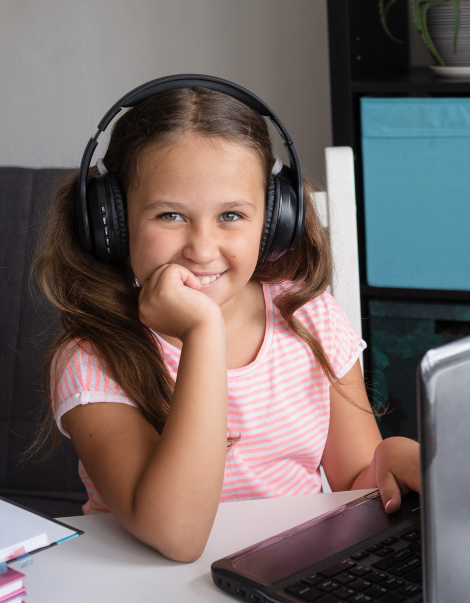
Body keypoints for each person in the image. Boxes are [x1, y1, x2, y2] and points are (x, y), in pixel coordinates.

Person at [28, 80, 421, 563]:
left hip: (284, 576)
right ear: (113, 223)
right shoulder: (93, 360)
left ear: (276, 220)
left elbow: (355, 487)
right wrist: (202, 335)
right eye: (170, 215)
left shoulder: (308, 317)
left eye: (231, 215)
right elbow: (176, 534)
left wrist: (387, 459)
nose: (202, 248)